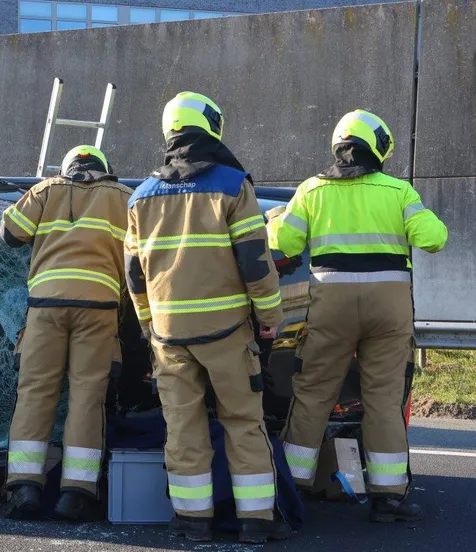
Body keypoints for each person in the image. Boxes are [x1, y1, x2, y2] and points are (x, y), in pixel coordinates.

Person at [125, 91, 292, 544]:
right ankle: (257, 522)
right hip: (227, 333)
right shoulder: (232, 185)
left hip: (168, 336)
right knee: (242, 421)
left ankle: (192, 522)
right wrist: (269, 316)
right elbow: (256, 262)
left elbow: (135, 278)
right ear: (211, 126)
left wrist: (148, 327)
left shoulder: (140, 197)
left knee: (182, 427)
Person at [268, 109, 448, 523]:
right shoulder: (398, 191)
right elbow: (434, 238)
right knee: (383, 399)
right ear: (378, 148)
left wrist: (278, 218)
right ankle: (388, 499)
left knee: (313, 393)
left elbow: (283, 242)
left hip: (330, 304)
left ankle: (290, 492)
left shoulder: (312, 190)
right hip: (389, 308)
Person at [0, 145, 132, 522]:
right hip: (100, 309)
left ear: (67, 168)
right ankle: (76, 495)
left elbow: (10, 233)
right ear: (106, 170)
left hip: (46, 308)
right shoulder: (124, 197)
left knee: (35, 393)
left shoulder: (46, 190)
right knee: (88, 397)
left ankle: (24, 487)